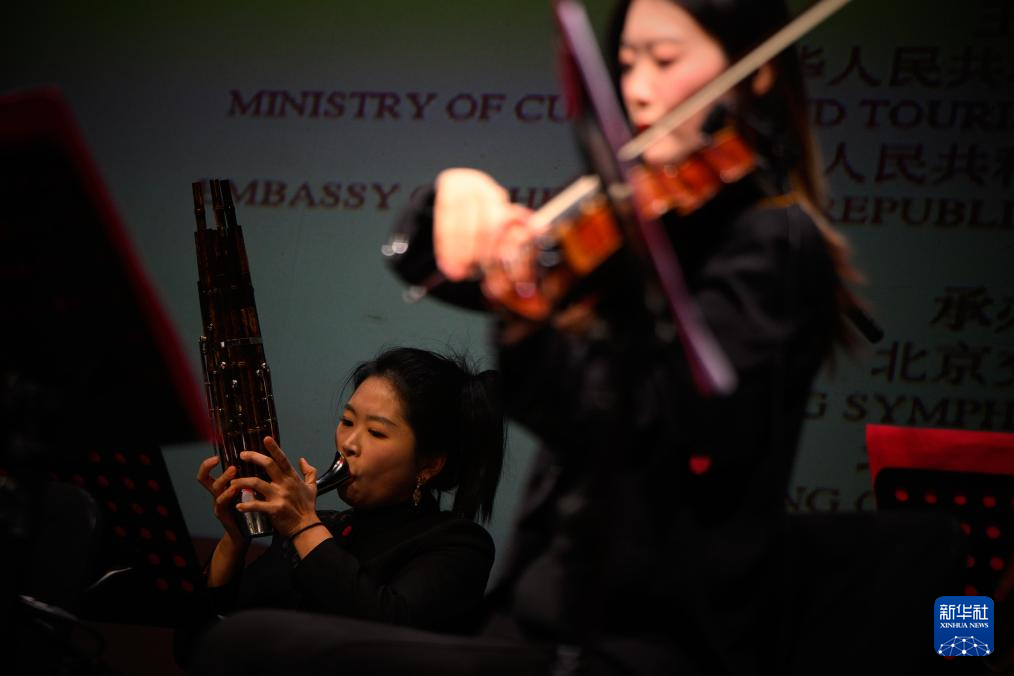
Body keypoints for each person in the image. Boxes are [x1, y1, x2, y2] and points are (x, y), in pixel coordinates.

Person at [190, 2, 959, 673]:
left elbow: (651, 428)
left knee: (247, 646)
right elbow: (432, 265)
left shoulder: (773, 245)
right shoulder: (639, 223)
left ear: (754, 73)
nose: (638, 88)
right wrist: (450, 202)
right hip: (551, 621)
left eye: (665, 60)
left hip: (647, 635)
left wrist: (532, 317)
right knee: (236, 642)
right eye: (625, 63)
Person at [180, 346, 505, 663]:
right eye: (347, 421)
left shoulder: (459, 545)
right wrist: (235, 540)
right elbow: (194, 649)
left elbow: (386, 636)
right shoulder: (321, 528)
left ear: (430, 465)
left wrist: (302, 525)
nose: (347, 444)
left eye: (376, 432)